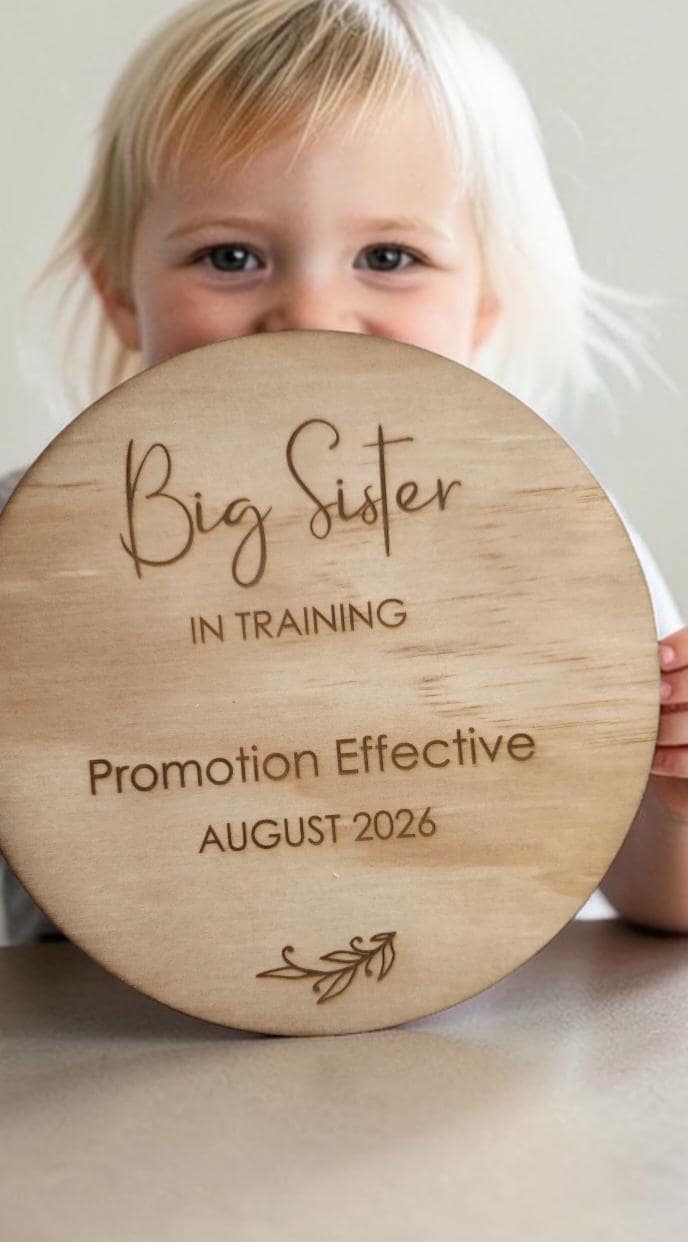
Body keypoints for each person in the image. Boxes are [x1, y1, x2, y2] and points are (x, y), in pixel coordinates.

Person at [1, 0, 686, 943]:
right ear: (119, 291)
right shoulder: (33, 550)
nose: (312, 316)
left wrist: (674, 795)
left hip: (481, 1024)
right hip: (93, 1026)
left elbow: (664, 901)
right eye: (230, 256)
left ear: (486, 299)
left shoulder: (552, 540)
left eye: (388, 257)